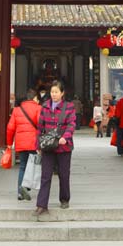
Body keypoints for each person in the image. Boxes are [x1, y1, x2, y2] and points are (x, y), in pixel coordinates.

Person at [35, 80, 77, 216]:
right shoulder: (45, 106)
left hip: (63, 146)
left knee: (64, 175)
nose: (53, 94)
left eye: (56, 92)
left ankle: (64, 199)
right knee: (45, 176)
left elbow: (71, 124)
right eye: (52, 92)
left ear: (62, 93)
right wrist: (38, 145)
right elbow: (40, 127)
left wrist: (66, 136)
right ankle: (42, 204)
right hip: (48, 146)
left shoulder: (69, 107)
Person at [6, 88, 42, 201]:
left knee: (22, 166)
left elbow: (10, 128)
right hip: (33, 143)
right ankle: (26, 187)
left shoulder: (17, 110)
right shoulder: (38, 108)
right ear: (35, 98)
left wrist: (9, 144)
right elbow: (41, 127)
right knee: (33, 166)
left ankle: (20, 192)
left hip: (21, 142)